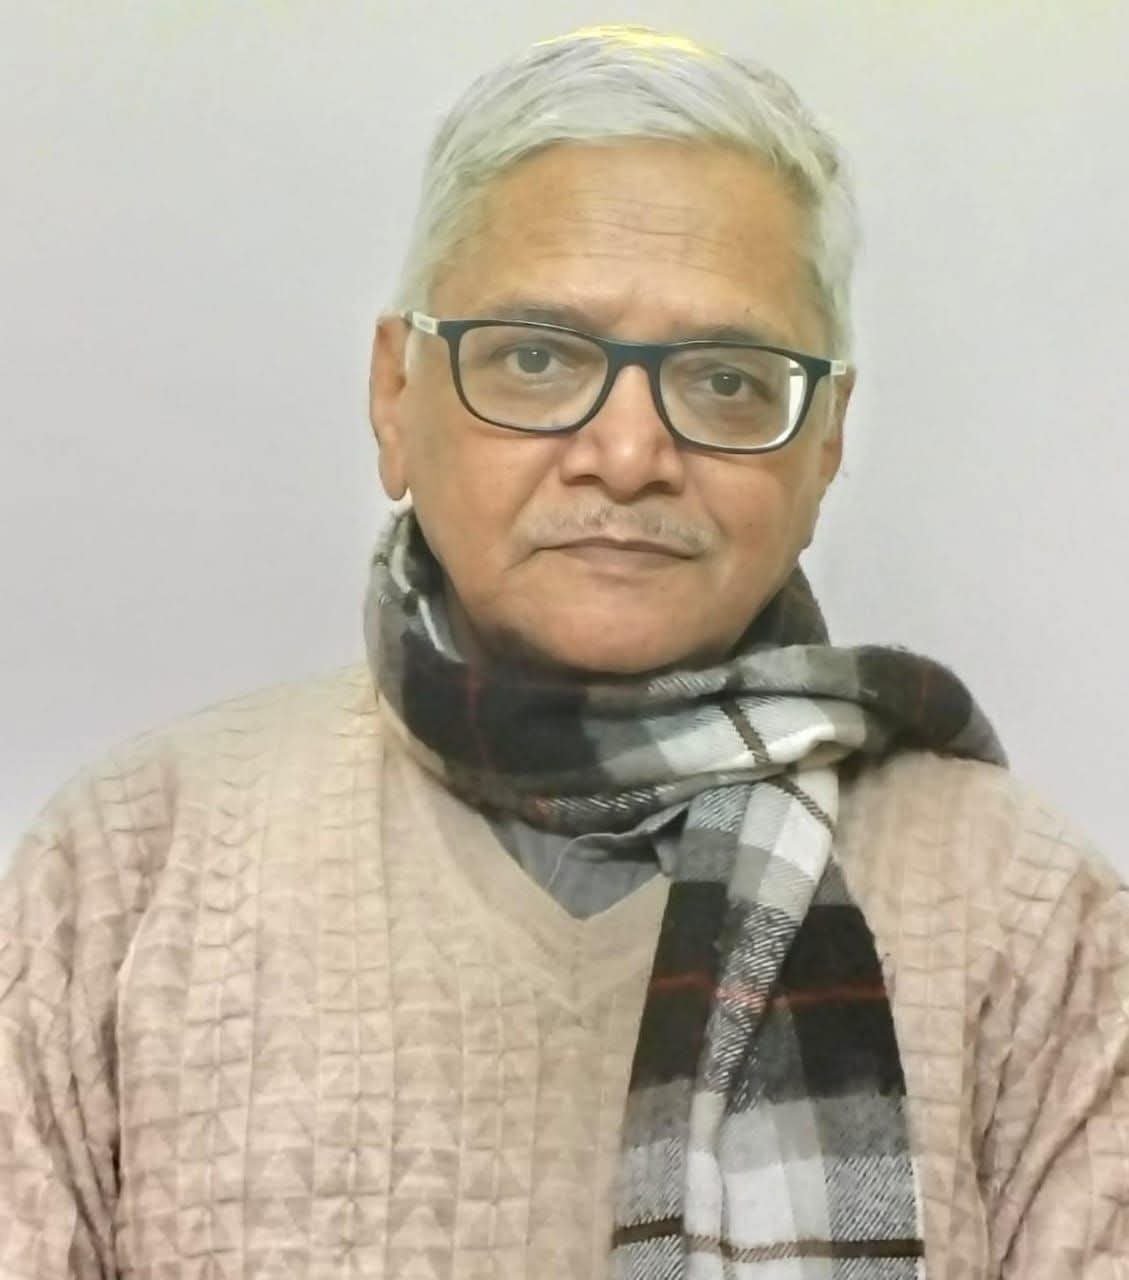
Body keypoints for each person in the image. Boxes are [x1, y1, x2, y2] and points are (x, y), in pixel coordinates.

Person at [1, 23, 1126, 1279]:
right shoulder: (126, 874)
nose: (629, 454)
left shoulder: (1030, 916)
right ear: (394, 396)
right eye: (535, 358)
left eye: (726, 379)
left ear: (824, 444)